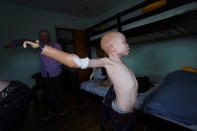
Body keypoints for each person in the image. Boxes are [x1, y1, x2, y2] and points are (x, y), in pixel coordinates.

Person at [23, 32, 138, 130]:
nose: (128, 45)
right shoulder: (107, 61)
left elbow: (119, 78)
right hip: (121, 113)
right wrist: (42, 47)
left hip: (130, 111)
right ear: (112, 47)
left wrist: (110, 83)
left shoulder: (121, 63)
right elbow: (75, 62)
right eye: (124, 42)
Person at [4, 29, 67, 120]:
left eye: (46, 35)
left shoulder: (56, 45)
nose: (44, 37)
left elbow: (62, 58)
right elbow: (25, 41)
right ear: (39, 38)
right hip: (46, 75)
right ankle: (52, 111)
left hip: (57, 74)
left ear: (49, 36)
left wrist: (59, 66)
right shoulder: (38, 45)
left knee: (60, 92)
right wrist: (14, 44)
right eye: (42, 36)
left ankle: (64, 107)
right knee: (49, 94)